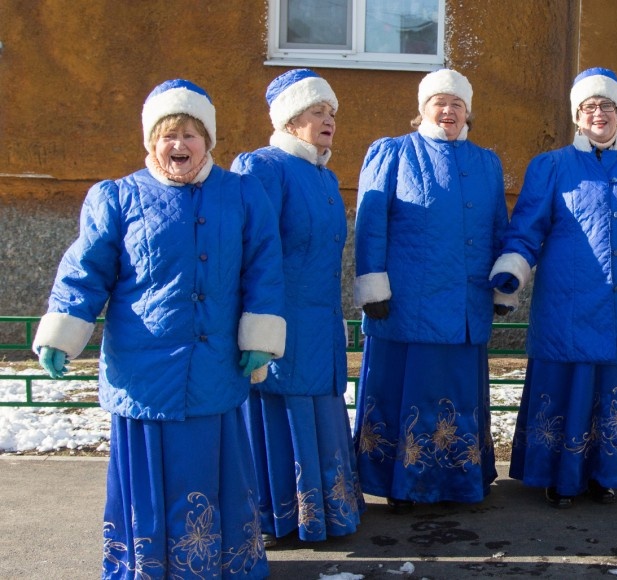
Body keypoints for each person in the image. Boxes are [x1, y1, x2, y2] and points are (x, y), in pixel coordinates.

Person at [33, 79, 285, 578]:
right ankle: (148, 566)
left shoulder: (240, 193)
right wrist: (62, 332)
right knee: (150, 475)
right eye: (168, 135)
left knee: (210, 467)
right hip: (143, 368)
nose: (179, 145)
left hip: (213, 364)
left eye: (190, 134)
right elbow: (85, 271)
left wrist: (259, 339)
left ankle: (218, 564)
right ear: (151, 142)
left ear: (208, 141)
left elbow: (263, 267)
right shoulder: (117, 197)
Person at [491, 67, 617, 509]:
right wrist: (512, 270)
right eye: (589, 107)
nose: (598, 114)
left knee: (613, 385)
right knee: (571, 383)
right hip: (568, 300)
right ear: (576, 116)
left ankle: (605, 475)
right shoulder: (552, 166)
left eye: (606, 106)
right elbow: (527, 228)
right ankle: (557, 477)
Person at [352, 68, 511, 513]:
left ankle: (459, 482)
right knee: (412, 396)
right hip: (406, 308)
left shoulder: (486, 162)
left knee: (458, 397)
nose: (448, 111)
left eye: (457, 104)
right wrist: (373, 283)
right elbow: (370, 225)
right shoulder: (392, 153)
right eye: (439, 103)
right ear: (421, 110)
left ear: (468, 113)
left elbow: (499, 226)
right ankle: (405, 486)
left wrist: (502, 286)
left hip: (465, 307)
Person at [231, 68, 364, 546]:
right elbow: (248, 248)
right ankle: (277, 516)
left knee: (319, 409)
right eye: (316, 112)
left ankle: (324, 510)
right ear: (290, 120)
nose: (328, 120)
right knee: (280, 410)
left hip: (319, 322)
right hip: (279, 322)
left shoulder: (324, 176)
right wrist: (254, 326)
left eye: (331, 113)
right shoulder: (263, 167)